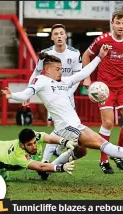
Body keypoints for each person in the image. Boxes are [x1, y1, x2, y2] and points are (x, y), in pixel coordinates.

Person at [2, 49, 123, 179]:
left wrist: (99, 57)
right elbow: (26, 93)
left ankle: (46, 169)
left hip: (75, 124)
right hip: (66, 127)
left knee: (81, 151)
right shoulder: (41, 80)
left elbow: (83, 73)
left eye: (61, 69)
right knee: (101, 142)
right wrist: (12, 96)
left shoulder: (63, 81)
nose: (60, 72)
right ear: (47, 69)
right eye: (57, 69)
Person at [82, 10, 123, 174]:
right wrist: (87, 79)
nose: (121, 26)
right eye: (118, 23)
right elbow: (86, 56)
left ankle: (118, 153)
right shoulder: (102, 40)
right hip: (105, 88)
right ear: (112, 24)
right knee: (108, 123)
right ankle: (103, 160)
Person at [26, 24, 83, 163]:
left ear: (65, 35)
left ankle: (53, 154)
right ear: (52, 37)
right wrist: (28, 91)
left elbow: (78, 77)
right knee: (61, 128)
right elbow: (37, 72)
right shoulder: (46, 54)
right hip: (52, 95)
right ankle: (47, 160)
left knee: (68, 129)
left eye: (61, 33)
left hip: (68, 94)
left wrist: (68, 93)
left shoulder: (75, 53)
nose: (59, 36)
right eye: (55, 34)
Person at [0, 128, 80, 180]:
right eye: (30, 145)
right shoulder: (19, 156)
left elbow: (48, 138)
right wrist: (61, 168)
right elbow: (40, 166)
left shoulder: (33, 136)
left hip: (4, 150)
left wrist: (64, 141)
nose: (34, 146)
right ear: (22, 145)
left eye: (35, 143)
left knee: (4, 178)